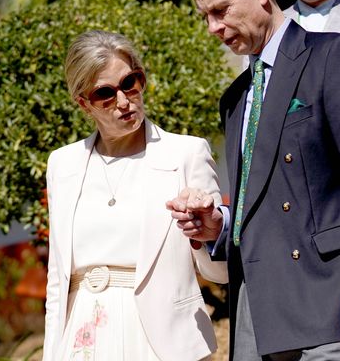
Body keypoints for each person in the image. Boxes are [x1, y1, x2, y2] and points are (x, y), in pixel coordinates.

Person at [168, 0, 340, 360]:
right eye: (204, 16)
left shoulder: (334, 56)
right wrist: (219, 226)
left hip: (328, 301)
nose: (212, 27)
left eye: (220, 10)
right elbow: (259, 196)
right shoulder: (236, 97)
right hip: (256, 312)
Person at [42, 30, 228, 361]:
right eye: (105, 94)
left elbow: (221, 273)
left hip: (161, 341)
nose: (125, 101)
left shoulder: (186, 153)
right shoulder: (62, 165)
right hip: (81, 339)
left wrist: (206, 234)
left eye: (130, 82)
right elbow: (57, 281)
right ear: (84, 103)